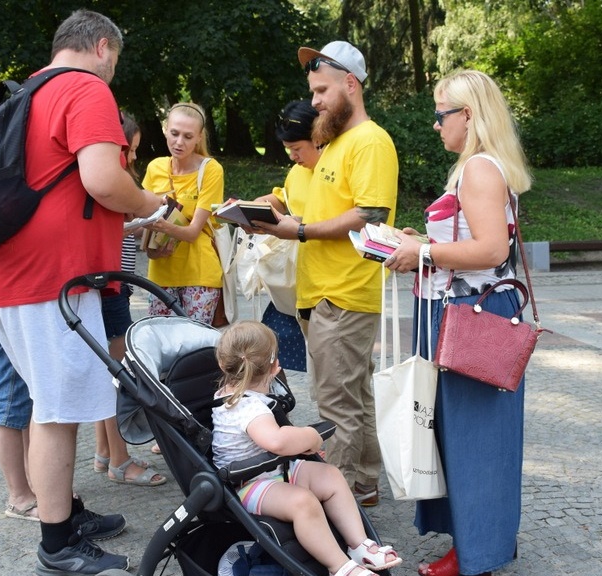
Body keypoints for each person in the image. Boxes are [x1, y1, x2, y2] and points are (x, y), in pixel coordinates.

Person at [0, 10, 166, 575]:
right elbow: (104, 180)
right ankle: (57, 544)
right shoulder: (85, 89)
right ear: (103, 47)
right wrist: (150, 204)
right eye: (117, 60)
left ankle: (62, 513)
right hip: (52, 279)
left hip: (9, 276)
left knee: (46, 404)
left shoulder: (29, 91)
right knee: (58, 412)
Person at [383, 70, 532, 576]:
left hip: (470, 317)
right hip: (469, 311)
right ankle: (480, 542)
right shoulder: (482, 167)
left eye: (441, 113)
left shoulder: (479, 170)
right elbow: (477, 245)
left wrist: (421, 250)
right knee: (470, 436)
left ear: (468, 115)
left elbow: (490, 249)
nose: (435, 124)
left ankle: (477, 551)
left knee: (473, 440)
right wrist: (418, 244)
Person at [253, 41, 398, 507]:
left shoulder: (369, 140)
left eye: (321, 91)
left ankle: (335, 508)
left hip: (345, 292)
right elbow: (311, 206)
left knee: (336, 406)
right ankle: (365, 486)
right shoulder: (335, 144)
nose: (313, 101)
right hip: (323, 293)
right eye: (312, 92)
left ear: (349, 84)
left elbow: (371, 214)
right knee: (355, 398)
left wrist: (301, 231)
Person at [211, 321, 402, 576]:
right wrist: (311, 437)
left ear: (224, 365)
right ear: (275, 366)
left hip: (275, 469)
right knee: (303, 502)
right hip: (247, 484)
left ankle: (359, 544)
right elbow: (276, 441)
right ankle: (339, 566)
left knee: (331, 476)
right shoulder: (246, 408)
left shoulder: (237, 394)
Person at [92, 112, 166, 487]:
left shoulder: (98, 174)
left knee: (109, 370)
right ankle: (120, 461)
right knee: (117, 375)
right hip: (109, 285)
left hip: (111, 283)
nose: (134, 158)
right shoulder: (107, 178)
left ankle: (104, 452)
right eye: (131, 150)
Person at [249, 99, 321, 376]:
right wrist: (256, 205)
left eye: (296, 149)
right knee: (269, 348)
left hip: (318, 282)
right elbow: (283, 197)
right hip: (290, 282)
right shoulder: (298, 170)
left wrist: (297, 224)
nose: (292, 156)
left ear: (318, 139)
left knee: (322, 364)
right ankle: (282, 406)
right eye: (288, 149)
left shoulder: (333, 171)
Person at [141, 102, 225, 324]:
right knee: (161, 345)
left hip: (199, 272)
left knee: (195, 347)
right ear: (165, 129)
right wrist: (148, 244)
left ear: (199, 138)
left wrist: (160, 225)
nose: (179, 142)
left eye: (188, 137)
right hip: (161, 272)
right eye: (175, 133)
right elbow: (140, 223)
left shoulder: (210, 169)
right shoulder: (155, 167)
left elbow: (192, 232)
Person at [0, 303, 38, 521]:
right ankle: (19, 498)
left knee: (23, 399)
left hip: (10, 302)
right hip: (7, 303)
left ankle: (34, 485)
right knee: (11, 401)